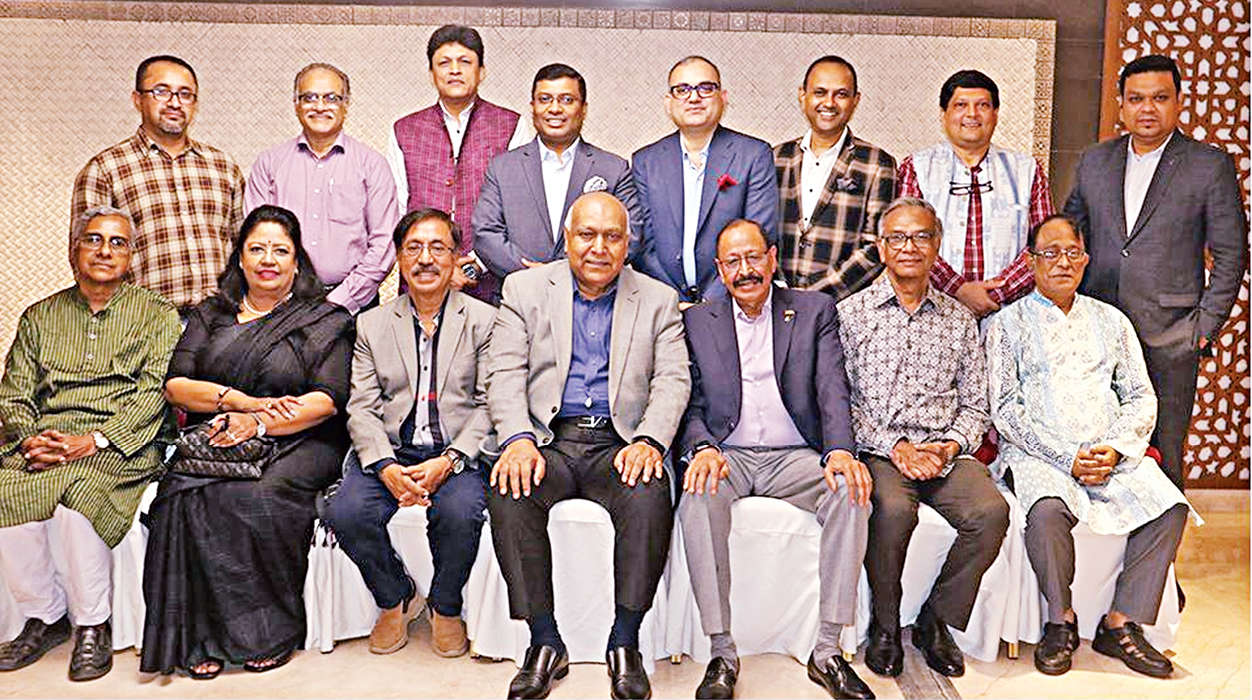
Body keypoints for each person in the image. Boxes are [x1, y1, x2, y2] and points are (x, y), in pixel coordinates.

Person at [485, 192, 690, 700]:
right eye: (587, 235)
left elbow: (672, 380)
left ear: (628, 244)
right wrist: (517, 439)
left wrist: (649, 440)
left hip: (619, 443)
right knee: (509, 490)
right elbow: (504, 372)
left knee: (648, 493)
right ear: (567, 239)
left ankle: (625, 641)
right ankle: (544, 641)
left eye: (612, 236)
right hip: (549, 440)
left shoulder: (658, 299)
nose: (599, 247)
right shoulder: (524, 290)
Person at [140, 205, 354, 679]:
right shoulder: (211, 313)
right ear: (240, 257)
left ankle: (265, 632)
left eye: (280, 250)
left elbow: (326, 400)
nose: (268, 260)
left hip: (303, 441)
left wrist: (257, 423)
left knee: (255, 496)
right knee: (183, 497)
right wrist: (237, 403)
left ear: (297, 260)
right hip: (217, 433)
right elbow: (177, 385)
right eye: (257, 249)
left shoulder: (325, 319)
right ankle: (200, 636)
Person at [985, 214, 1194, 678]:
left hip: (1108, 453)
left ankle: (1120, 623)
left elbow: (1140, 396)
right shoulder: (1006, 325)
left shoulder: (1112, 320)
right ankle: (1060, 620)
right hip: (1040, 454)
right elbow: (1005, 410)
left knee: (1170, 507)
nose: (1062, 262)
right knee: (1046, 513)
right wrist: (1067, 457)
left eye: (1072, 253)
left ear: (1086, 259)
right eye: (1050, 253)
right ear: (1030, 262)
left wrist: (1115, 449)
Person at [678, 219, 874, 700]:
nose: (745, 270)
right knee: (697, 497)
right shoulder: (698, 321)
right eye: (733, 262)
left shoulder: (812, 310)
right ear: (720, 270)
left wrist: (840, 451)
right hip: (729, 455)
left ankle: (827, 651)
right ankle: (721, 652)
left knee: (851, 491)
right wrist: (702, 447)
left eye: (753, 257)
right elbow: (690, 401)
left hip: (795, 456)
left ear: (772, 258)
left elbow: (832, 387)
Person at [0, 207, 180, 681]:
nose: (105, 251)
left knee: (79, 497)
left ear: (132, 255)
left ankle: (92, 623)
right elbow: (14, 394)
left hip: (120, 442)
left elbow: (154, 394)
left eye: (118, 242)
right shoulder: (40, 317)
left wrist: (95, 440)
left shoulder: (157, 315)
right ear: (74, 249)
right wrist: (30, 439)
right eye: (94, 240)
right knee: (5, 492)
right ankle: (44, 616)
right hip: (48, 437)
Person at [837, 197, 1009, 679]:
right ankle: (886, 625)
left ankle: (936, 619)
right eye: (897, 237)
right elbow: (840, 401)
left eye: (920, 237)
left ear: (937, 245)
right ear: (880, 247)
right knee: (893, 509)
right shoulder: (851, 315)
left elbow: (976, 404)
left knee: (991, 512)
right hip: (882, 451)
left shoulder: (958, 320)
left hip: (944, 452)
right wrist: (895, 448)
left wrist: (949, 446)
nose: (908, 247)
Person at [1063, 54, 1248, 488]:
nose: (1147, 109)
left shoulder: (1208, 165)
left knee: (1163, 455)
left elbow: (1232, 254)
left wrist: (1202, 329)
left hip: (1170, 337)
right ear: (1121, 105)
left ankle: (1163, 535)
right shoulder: (1095, 161)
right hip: (1095, 333)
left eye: (1160, 98)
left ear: (1179, 101)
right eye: (1136, 99)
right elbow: (1071, 234)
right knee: (1096, 447)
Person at [322, 208, 495, 658]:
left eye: (438, 248)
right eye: (414, 248)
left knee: (460, 513)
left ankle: (445, 605)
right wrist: (385, 467)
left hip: (455, 452)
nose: (426, 259)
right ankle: (394, 595)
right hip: (393, 450)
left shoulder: (485, 321)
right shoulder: (372, 323)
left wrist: (449, 461)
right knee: (345, 511)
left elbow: (489, 404)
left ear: (455, 258)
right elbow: (361, 407)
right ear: (399, 258)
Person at [71, 55, 245, 312]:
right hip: (143, 322)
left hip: (220, 321)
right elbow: (86, 262)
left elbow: (245, 250)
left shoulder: (223, 167)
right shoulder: (105, 170)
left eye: (185, 94)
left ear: (195, 104)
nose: (174, 103)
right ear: (137, 99)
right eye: (161, 91)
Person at [387, 24, 528, 303]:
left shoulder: (512, 125)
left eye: (465, 62)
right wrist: (429, 263)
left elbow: (515, 211)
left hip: (488, 279)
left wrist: (475, 264)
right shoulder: (404, 129)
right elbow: (396, 210)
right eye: (444, 63)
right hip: (420, 276)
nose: (454, 70)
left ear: (481, 71)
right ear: (431, 73)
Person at [897, 70, 1054, 319]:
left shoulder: (1027, 170)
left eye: (982, 105)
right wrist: (958, 290)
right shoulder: (917, 167)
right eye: (961, 105)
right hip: (932, 312)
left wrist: (994, 295)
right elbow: (908, 241)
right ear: (943, 114)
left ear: (995, 114)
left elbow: (1045, 244)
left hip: (1010, 313)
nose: (972, 114)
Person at [246, 62, 399, 314]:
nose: (319, 106)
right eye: (309, 98)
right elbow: (257, 240)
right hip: (283, 303)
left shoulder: (372, 165)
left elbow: (385, 243)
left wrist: (341, 300)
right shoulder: (269, 164)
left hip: (353, 305)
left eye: (331, 98)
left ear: (345, 104)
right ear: (296, 104)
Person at [474, 63, 645, 279]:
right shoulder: (502, 168)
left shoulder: (614, 169)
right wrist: (531, 275)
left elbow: (631, 233)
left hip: (590, 293)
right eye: (545, 99)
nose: (555, 108)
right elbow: (486, 234)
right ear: (533, 106)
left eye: (567, 100)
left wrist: (566, 275)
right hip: (520, 293)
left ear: (583, 108)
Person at [633, 56, 778, 305]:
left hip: (732, 304)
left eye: (705, 88)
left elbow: (759, 238)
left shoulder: (753, 155)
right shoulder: (645, 161)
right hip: (665, 305)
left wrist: (707, 307)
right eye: (682, 90)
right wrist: (672, 302)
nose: (694, 97)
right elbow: (643, 246)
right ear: (668, 102)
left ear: (723, 97)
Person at [775, 56, 897, 300]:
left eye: (841, 94)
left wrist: (812, 296)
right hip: (775, 302)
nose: (829, 103)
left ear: (855, 100)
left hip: (842, 306)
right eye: (820, 92)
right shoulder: (776, 158)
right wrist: (777, 291)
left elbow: (876, 246)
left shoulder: (877, 163)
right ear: (803, 95)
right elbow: (760, 233)